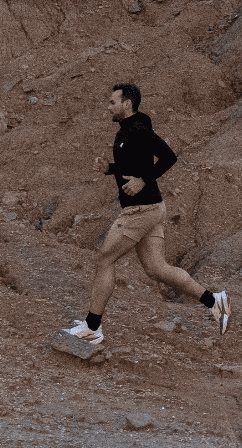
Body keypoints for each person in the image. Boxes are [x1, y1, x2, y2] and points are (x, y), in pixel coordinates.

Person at [60, 83, 229, 347]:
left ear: (127, 103)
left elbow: (169, 157)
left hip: (142, 209)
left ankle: (92, 327)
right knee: (156, 268)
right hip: (150, 208)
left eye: (112, 102)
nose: (108, 107)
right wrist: (109, 169)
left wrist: (141, 180)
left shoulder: (139, 129)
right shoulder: (127, 130)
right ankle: (214, 301)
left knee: (105, 259)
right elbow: (133, 165)